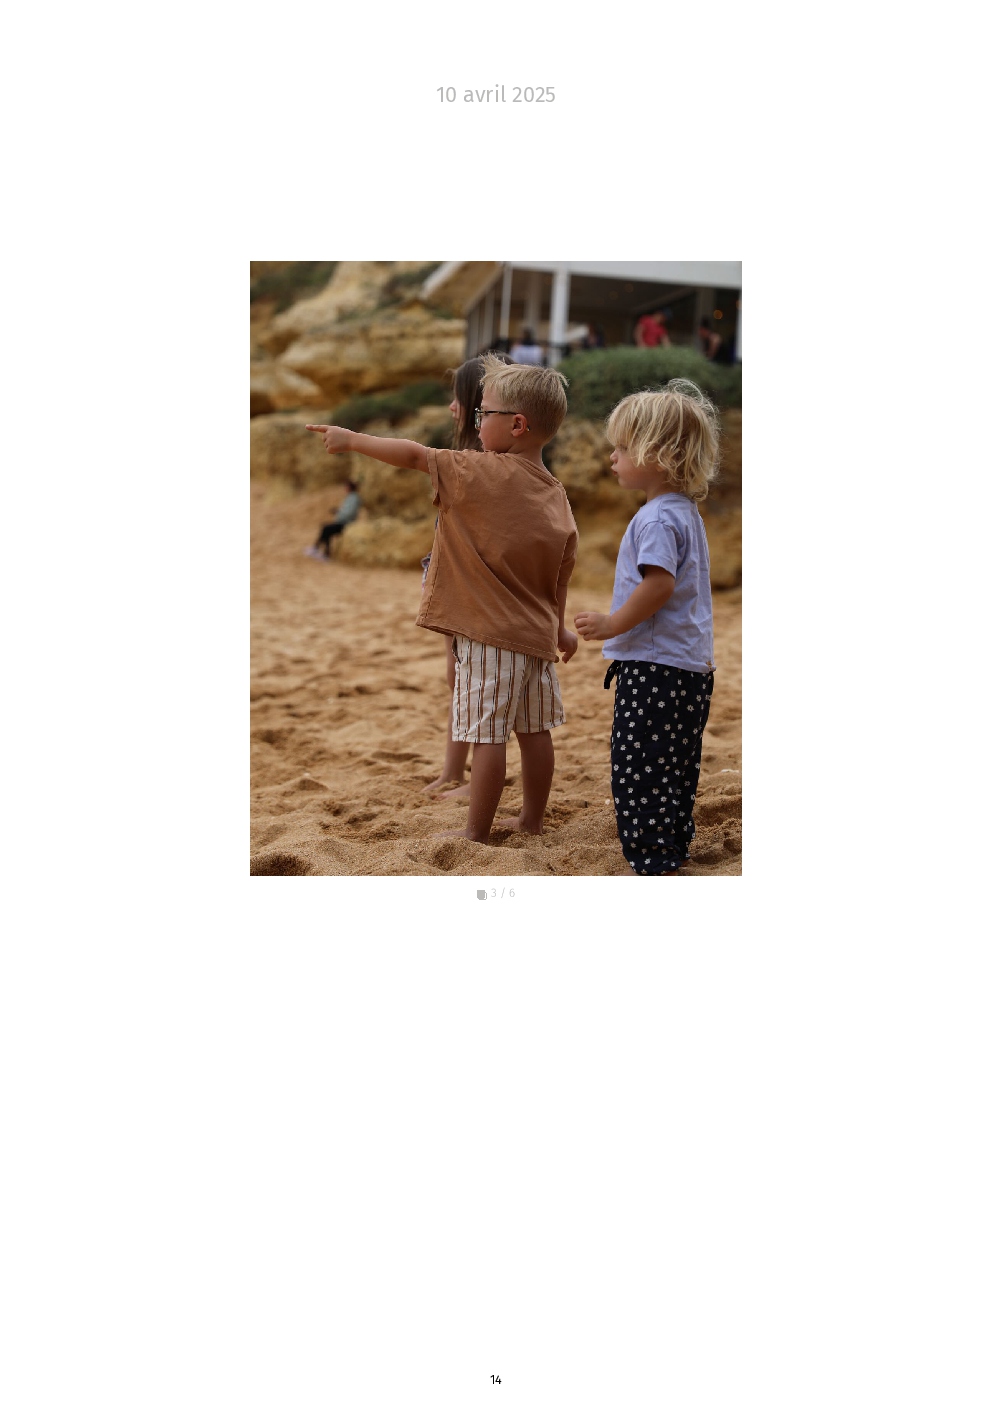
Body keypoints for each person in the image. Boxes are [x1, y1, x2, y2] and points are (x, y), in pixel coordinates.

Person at [306, 355, 578, 845]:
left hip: (489, 637)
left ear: (517, 425)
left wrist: (352, 440)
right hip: (537, 639)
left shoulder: (477, 471)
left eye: (484, 413)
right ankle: (531, 821)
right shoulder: (557, 495)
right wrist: (559, 628)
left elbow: (415, 456)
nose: (477, 421)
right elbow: (561, 574)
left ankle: (475, 832)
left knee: (487, 736)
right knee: (535, 733)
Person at [574, 379, 719, 875]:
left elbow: (658, 585)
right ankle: (672, 846)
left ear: (658, 453)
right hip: (691, 667)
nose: (612, 457)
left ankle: (655, 861)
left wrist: (612, 623)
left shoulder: (655, 519)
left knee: (639, 768)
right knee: (676, 764)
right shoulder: (686, 513)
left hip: (654, 667)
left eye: (621, 448)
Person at [420, 351, 513, 800]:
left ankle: (474, 776)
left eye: (459, 398)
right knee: (457, 677)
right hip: (453, 577)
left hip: (474, 585)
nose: (452, 407)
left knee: (474, 680)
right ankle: (453, 770)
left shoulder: (487, 462)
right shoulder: (470, 456)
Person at [305, 481, 361, 559]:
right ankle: (320, 550)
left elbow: (350, 513)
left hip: (346, 524)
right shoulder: (350, 497)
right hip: (343, 522)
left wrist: (338, 512)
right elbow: (346, 511)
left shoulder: (354, 499)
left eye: (346, 487)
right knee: (325, 528)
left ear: (350, 488)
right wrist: (338, 511)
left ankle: (321, 551)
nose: (345, 488)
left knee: (326, 529)